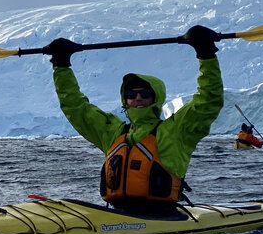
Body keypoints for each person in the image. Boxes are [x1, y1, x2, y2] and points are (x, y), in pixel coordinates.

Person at [44, 26, 224, 215]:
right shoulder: (113, 132)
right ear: (125, 100)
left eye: (144, 94)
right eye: (131, 94)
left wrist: (206, 54)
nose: (137, 98)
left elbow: (208, 100)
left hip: (162, 216)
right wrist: (61, 64)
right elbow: (76, 107)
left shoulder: (176, 131)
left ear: (155, 99)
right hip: (116, 214)